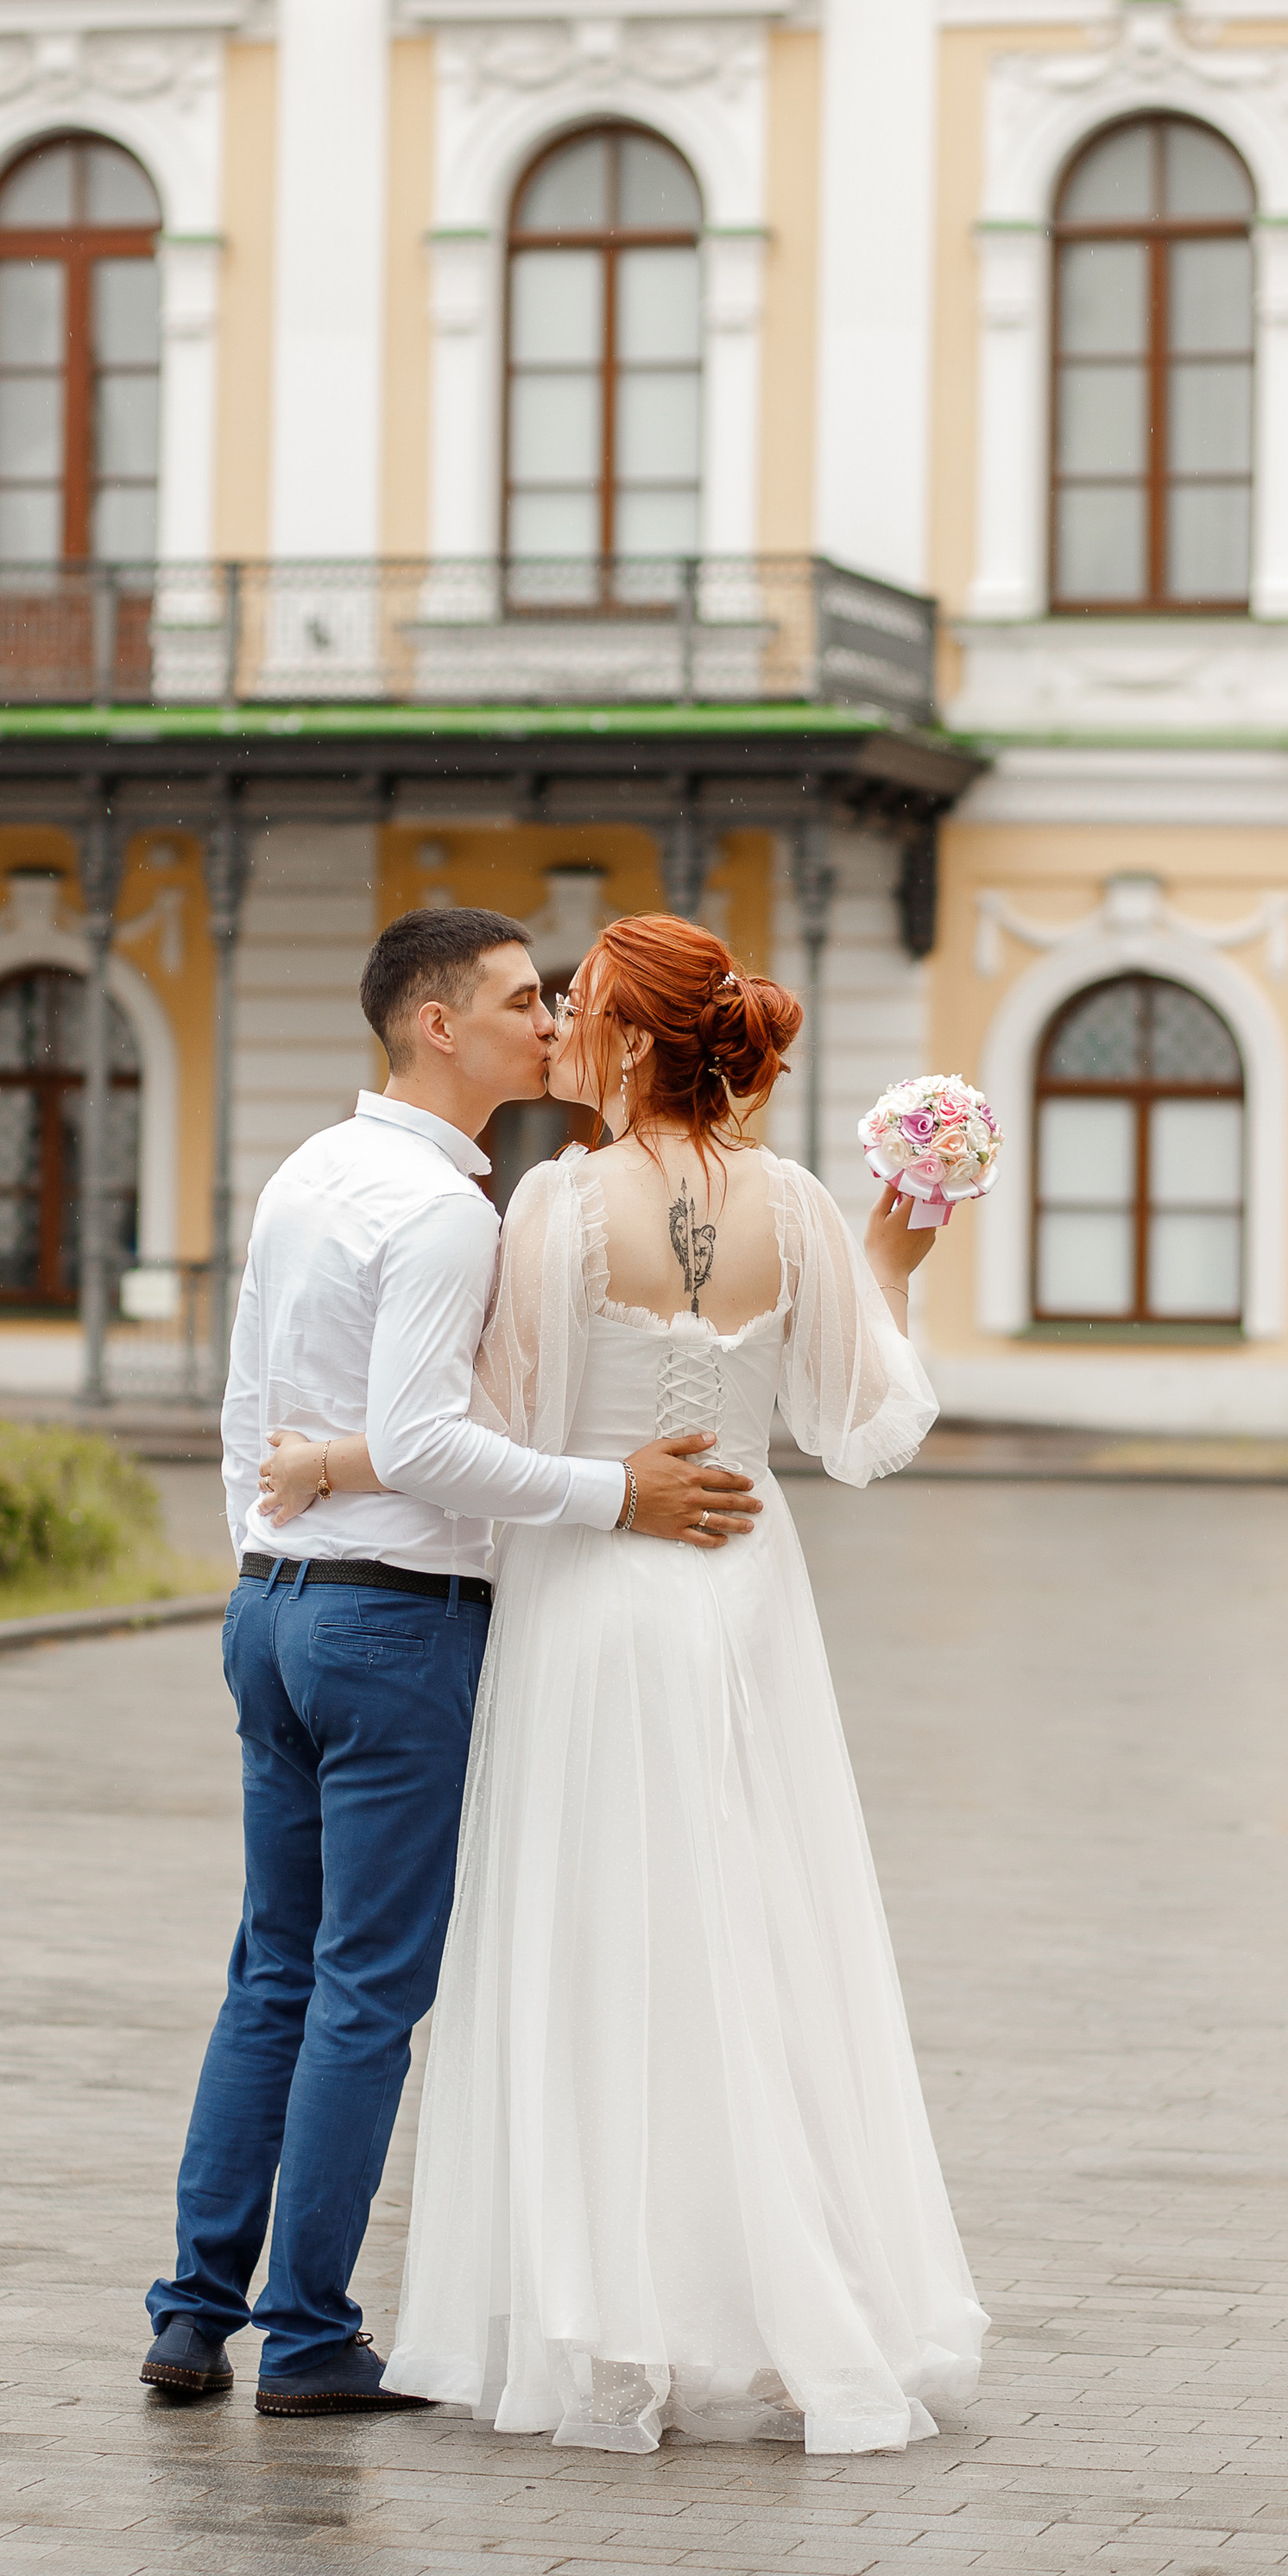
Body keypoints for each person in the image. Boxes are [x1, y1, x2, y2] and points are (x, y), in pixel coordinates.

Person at [255, 913, 988, 2456]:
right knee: (752, 1934)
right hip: (744, 1592)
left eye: (578, 1005)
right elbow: (864, 1427)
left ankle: (606, 2316)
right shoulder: (790, 1202)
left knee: (594, 1946)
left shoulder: (559, 1202)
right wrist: (890, 1259)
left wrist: (330, 1457)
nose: (559, 1027)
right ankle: (792, 2297)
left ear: (636, 1040)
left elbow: (487, 1427)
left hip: (593, 1598)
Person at [142, 905, 766, 2419]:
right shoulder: (443, 1212)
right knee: (365, 1988)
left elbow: (250, 1412)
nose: (549, 1023)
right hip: (392, 1625)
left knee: (269, 1970)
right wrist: (621, 1492)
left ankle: (189, 2316)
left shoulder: (308, 1173)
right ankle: (306, 2338)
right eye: (517, 1001)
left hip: (275, 1609)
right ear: (439, 1026)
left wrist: (264, 1544)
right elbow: (425, 1441)